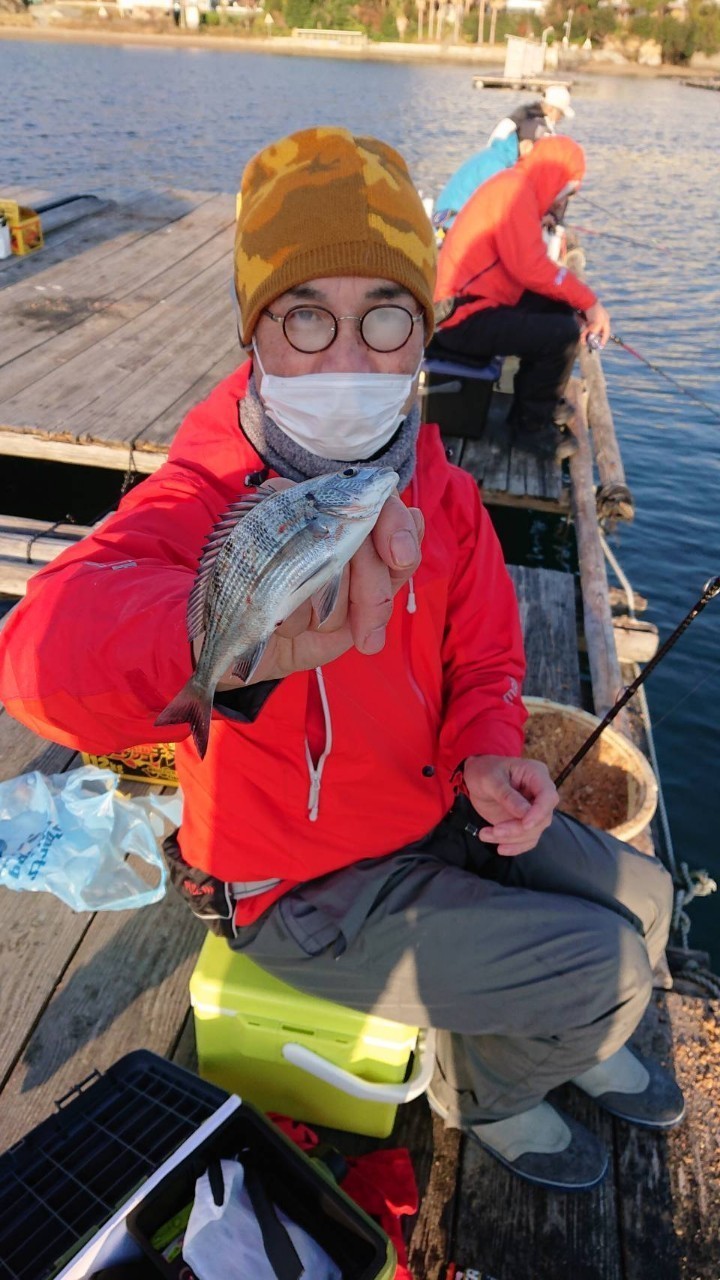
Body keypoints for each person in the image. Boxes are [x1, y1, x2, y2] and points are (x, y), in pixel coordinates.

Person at [0, 127, 682, 1193]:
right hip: (300, 894)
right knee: (606, 965)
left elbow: (490, 652)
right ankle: (488, 1089)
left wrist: (487, 750)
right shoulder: (202, 491)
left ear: (423, 332)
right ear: (254, 334)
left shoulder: (441, 487)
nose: (351, 359)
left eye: (386, 317)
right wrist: (209, 635)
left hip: (425, 811)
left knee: (644, 895)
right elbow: (37, 652)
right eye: (306, 316)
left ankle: (560, 1029)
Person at [428, 134, 611, 461]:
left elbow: (526, 265)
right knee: (561, 333)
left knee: (559, 311)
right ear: (556, 178)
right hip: (458, 317)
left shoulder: (515, 187)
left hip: (476, 303)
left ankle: (542, 399)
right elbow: (531, 268)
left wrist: (575, 302)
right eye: (568, 190)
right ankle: (529, 430)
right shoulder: (514, 192)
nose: (564, 199)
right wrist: (590, 302)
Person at [433, 114, 550, 237]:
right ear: (527, 146)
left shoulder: (497, 156)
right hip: (447, 227)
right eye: (539, 150)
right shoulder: (497, 166)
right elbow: (502, 211)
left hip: (448, 220)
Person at [489, 82, 575, 145]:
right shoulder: (538, 125)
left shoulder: (523, 112)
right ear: (550, 108)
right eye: (560, 114)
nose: (560, 119)